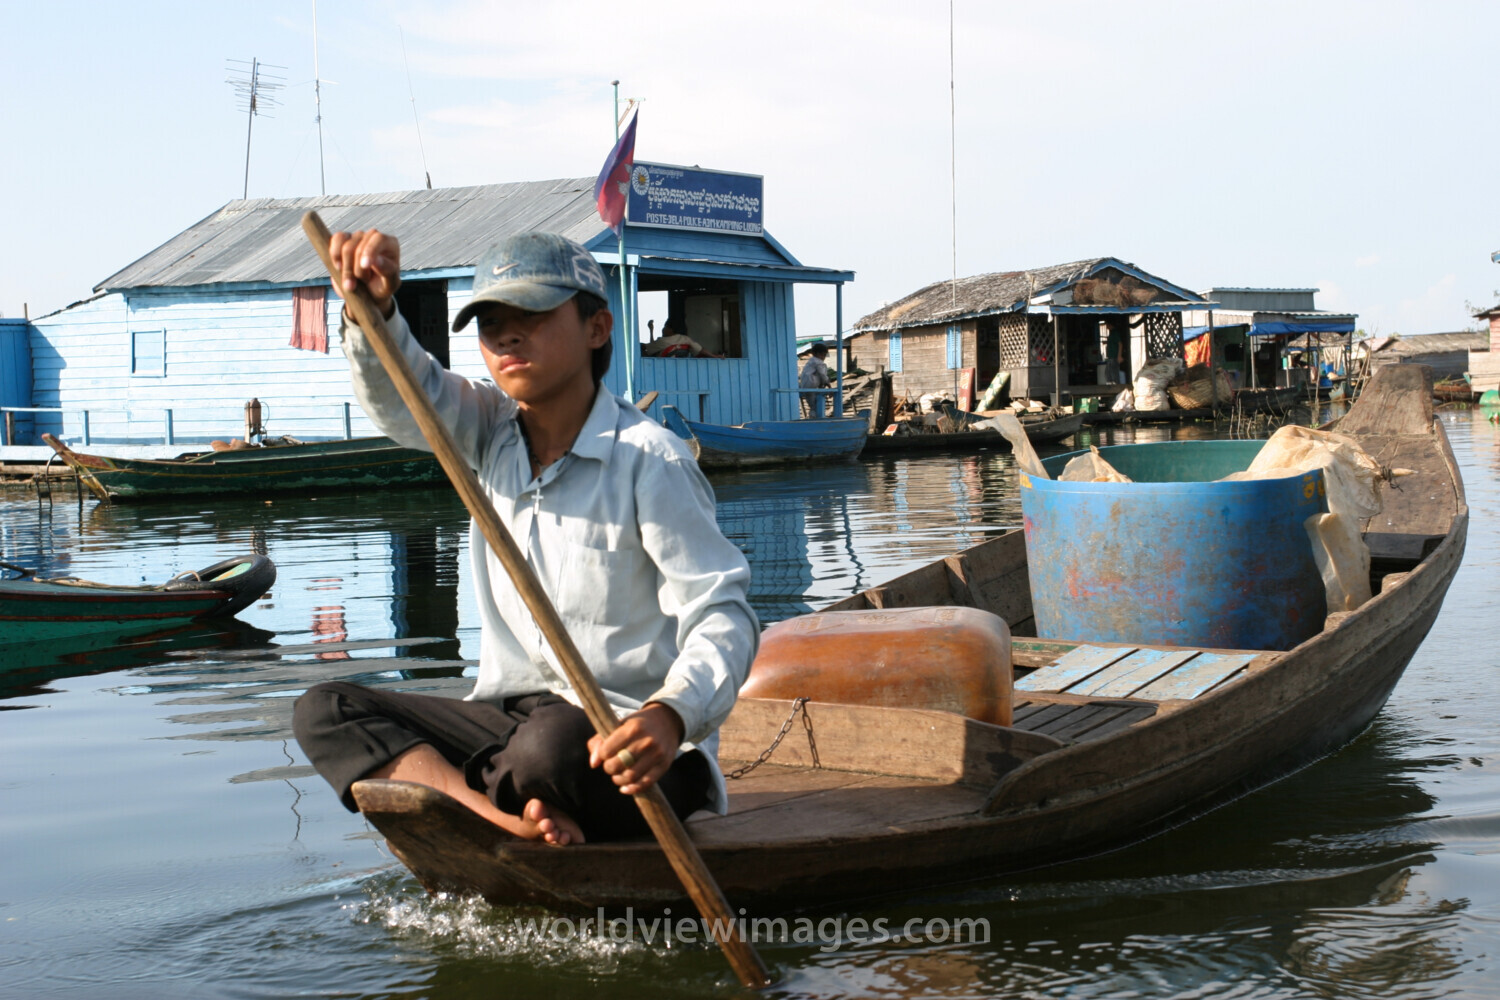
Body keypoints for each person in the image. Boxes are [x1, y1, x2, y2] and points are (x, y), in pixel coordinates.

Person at [292, 229, 758, 847]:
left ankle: (507, 794)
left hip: (623, 743)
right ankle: (499, 818)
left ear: (597, 328)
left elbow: (725, 617)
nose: (507, 336)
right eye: (491, 324)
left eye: (531, 316)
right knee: (326, 708)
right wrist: (369, 312)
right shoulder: (489, 433)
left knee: (551, 750)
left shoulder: (650, 460)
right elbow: (409, 397)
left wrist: (669, 717)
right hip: (513, 721)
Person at [799, 342, 832, 418]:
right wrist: (829, 386)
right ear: (817, 354)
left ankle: (812, 417)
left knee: (812, 405)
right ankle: (814, 420)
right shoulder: (819, 362)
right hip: (812, 386)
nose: (823, 357)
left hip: (805, 386)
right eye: (823, 355)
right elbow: (823, 375)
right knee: (815, 406)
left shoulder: (810, 362)